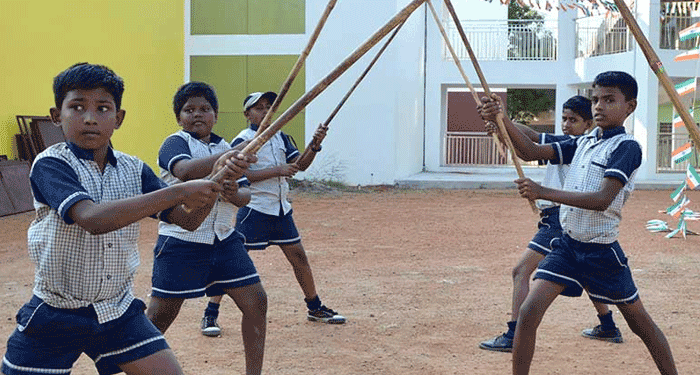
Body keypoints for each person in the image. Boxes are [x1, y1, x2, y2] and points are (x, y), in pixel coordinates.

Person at [0, 63, 240, 375]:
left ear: (119, 118)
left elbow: (187, 221)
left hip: (117, 309)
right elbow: (92, 219)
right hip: (57, 311)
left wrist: (216, 182)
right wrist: (180, 191)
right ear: (56, 116)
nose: (89, 118)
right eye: (77, 107)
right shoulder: (51, 164)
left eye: (102, 108)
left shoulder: (133, 169)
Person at [480, 71, 677, 375]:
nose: (599, 106)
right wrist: (502, 119)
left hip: (601, 252)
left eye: (609, 100)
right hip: (568, 247)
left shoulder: (627, 148)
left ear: (630, 106)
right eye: (596, 99)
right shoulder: (584, 142)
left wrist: (544, 191)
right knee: (529, 312)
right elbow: (530, 151)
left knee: (641, 325)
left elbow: (602, 199)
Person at [478, 96, 623, 353]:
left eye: (573, 120)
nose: (567, 125)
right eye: (564, 119)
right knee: (587, 274)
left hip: (559, 219)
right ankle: (608, 325)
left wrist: (502, 121)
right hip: (560, 217)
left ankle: (514, 334)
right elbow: (531, 135)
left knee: (521, 271)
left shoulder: (576, 146)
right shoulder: (570, 142)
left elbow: (530, 144)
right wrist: (500, 122)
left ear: (588, 124)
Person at [144, 82, 267, 375]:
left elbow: (245, 194)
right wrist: (229, 158)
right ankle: (134, 365)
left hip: (224, 240)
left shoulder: (226, 147)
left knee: (257, 303)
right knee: (158, 319)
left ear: (216, 116)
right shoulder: (174, 143)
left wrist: (230, 190)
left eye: (204, 109)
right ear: (178, 117)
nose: (197, 115)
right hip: (181, 242)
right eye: (189, 110)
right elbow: (185, 171)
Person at [200, 91, 344, 337]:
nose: (265, 112)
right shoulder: (243, 141)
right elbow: (237, 176)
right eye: (259, 108)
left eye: (269, 107)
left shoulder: (281, 137)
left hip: (280, 209)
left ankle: (314, 306)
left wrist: (315, 144)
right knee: (232, 262)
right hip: (254, 209)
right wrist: (276, 170)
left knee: (299, 257)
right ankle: (210, 313)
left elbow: (299, 166)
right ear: (247, 114)